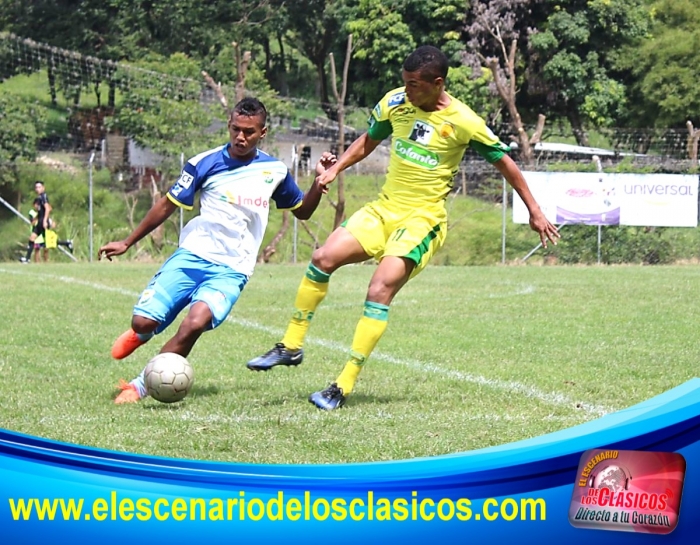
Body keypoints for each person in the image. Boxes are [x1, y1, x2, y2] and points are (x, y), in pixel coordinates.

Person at [245, 46, 560, 410]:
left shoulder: (464, 121)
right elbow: (369, 139)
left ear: (437, 83)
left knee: (379, 288)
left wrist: (535, 211)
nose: (407, 91)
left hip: (422, 220)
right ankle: (291, 345)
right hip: (384, 208)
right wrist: (336, 168)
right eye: (405, 82)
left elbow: (506, 164)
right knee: (322, 257)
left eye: (414, 85)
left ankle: (341, 385)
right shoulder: (396, 102)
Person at [98, 97, 336, 404]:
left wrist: (318, 183)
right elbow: (167, 204)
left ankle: (140, 386)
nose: (240, 137)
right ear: (229, 125)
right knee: (143, 322)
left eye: (249, 132)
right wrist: (128, 242)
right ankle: (141, 333)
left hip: (232, 269)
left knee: (194, 324)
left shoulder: (274, 170)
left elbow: (301, 210)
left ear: (262, 133)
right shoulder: (203, 163)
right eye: (236, 129)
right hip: (192, 255)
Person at [26, 197, 73, 262]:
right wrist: (38, 219)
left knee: (47, 246)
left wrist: (49, 221)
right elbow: (32, 222)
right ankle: (66, 243)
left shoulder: (42, 211)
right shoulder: (32, 212)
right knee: (37, 248)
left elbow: (48, 211)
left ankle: (45, 262)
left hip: (42, 230)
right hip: (36, 232)